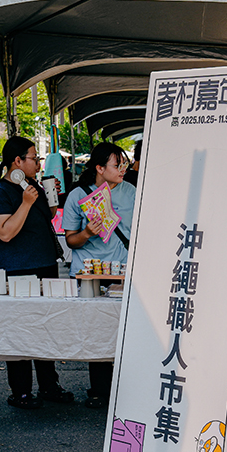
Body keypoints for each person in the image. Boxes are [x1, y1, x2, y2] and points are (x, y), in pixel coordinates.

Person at [0, 136, 73, 409]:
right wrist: (24, 202)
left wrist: (50, 196)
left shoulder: (31, 185)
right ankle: (20, 390)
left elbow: (47, 215)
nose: (38, 163)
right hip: (17, 269)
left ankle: (49, 385)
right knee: (19, 329)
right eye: (34, 158)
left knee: (46, 326)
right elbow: (5, 233)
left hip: (45, 263)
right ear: (17, 162)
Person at [63, 142, 136, 408]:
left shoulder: (132, 192)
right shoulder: (78, 195)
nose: (123, 169)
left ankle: (126, 388)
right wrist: (88, 233)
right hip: (89, 271)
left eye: (124, 164)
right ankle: (100, 390)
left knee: (125, 329)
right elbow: (71, 241)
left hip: (123, 270)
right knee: (97, 330)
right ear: (99, 168)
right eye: (117, 165)